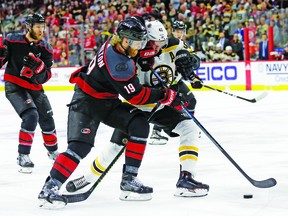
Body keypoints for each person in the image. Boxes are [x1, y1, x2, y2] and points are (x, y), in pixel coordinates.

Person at [37, 16, 181, 208]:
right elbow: (136, 97)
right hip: (87, 103)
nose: (140, 46)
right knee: (80, 147)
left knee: (139, 123)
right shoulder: (118, 62)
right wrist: (164, 94)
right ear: (126, 40)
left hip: (107, 101)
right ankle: (49, 188)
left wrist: (149, 55)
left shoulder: (120, 43)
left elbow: (140, 46)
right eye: (138, 43)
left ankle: (129, 180)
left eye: (141, 42)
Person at [65, 20, 209, 199]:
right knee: (116, 146)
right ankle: (88, 178)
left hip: (160, 103)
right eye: (154, 44)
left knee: (189, 128)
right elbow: (130, 90)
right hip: (138, 104)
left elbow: (192, 57)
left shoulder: (170, 43)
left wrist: (191, 62)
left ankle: (186, 180)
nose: (159, 47)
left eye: (161, 43)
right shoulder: (131, 52)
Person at [0, 13, 59, 174]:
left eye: (42, 26)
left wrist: (39, 69)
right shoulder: (12, 40)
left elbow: (45, 77)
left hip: (35, 88)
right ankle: (23, 155)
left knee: (47, 119)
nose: (41, 30)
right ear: (28, 27)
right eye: (38, 27)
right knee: (31, 116)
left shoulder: (46, 48)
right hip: (15, 86)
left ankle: (53, 151)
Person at [148, 19, 199, 145]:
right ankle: (156, 132)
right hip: (164, 83)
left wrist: (193, 76)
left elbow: (193, 62)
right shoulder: (160, 45)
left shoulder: (181, 44)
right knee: (163, 105)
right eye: (177, 31)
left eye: (181, 31)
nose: (179, 34)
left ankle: (189, 127)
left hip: (175, 81)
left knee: (190, 101)